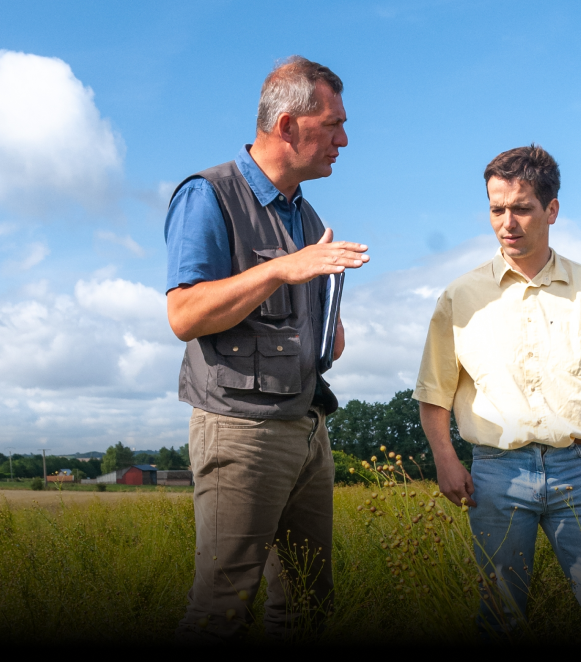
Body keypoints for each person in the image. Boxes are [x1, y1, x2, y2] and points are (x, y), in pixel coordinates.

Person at [164, 56, 369, 640]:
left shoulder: (308, 218)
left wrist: (327, 332)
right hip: (241, 431)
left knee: (307, 603)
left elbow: (299, 321)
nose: (343, 139)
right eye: (332, 124)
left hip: (307, 428)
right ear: (286, 126)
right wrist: (284, 269)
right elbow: (184, 315)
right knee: (222, 608)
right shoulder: (208, 196)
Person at [413, 145, 581, 640]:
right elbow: (434, 392)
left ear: (552, 210)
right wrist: (444, 459)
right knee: (500, 618)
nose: (507, 222)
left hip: (578, 471)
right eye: (497, 209)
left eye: (521, 208)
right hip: (495, 476)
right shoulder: (460, 296)